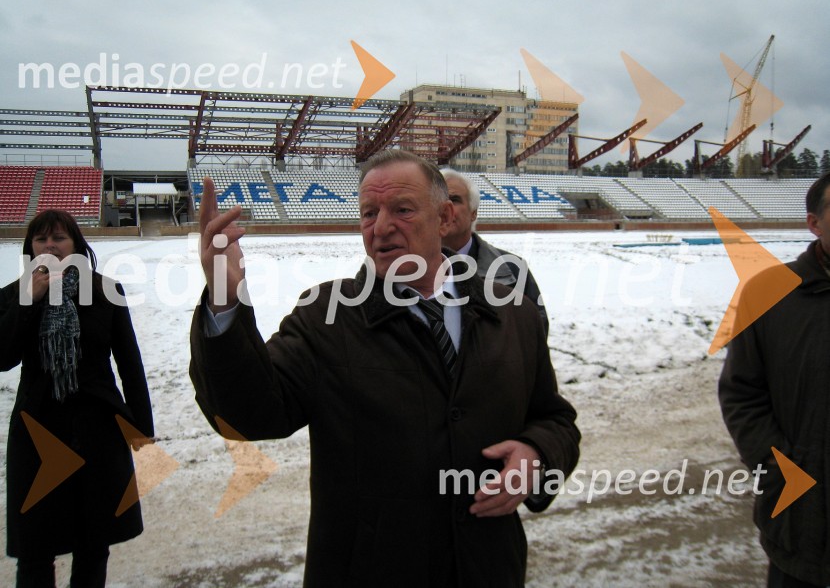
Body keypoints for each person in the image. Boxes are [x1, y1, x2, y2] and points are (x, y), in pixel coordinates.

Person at [190, 149, 580, 587]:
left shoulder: (512, 313)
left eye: (403, 210)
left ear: (445, 217)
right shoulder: (327, 316)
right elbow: (248, 415)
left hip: (488, 568)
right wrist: (224, 300)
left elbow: (555, 419)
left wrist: (537, 454)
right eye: (368, 213)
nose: (381, 228)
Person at [0, 209, 154, 588]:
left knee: (93, 546)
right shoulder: (12, 295)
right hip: (37, 436)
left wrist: (142, 431)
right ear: (30, 248)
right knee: (35, 552)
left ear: (77, 246)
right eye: (41, 239)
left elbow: (129, 364)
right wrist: (28, 299)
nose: (50, 245)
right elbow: (3, 357)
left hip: (98, 434)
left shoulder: (105, 291)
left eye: (59, 238)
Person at [719, 173, 830, 587]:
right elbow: (741, 392)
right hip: (799, 524)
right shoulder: (768, 293)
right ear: (814, 223)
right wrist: (778, 466)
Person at [441, 168, 549, 336]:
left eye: (454, 200)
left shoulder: (513, 269)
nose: (445, 208)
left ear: (473, 213)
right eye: (438, 200)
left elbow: (536, 333)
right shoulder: (401, 269)